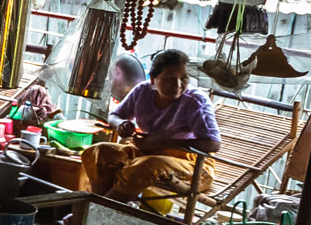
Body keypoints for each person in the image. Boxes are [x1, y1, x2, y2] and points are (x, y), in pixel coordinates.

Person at [82, 49, 222, 206]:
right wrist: (122, 124)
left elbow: (212, 144)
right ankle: (101, 206)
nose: (177, 85)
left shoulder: (195, 101)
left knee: (145, 166)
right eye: (169, 79)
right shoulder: (143, 91)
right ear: (153, 80)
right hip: (148, 153)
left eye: (184, 78)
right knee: (99, 151)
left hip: (193, 166)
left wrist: (162, 142)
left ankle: (95, 209)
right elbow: (114, 116)